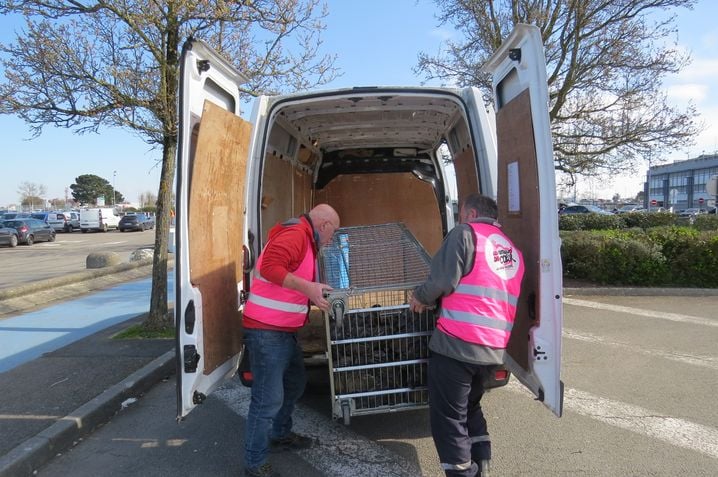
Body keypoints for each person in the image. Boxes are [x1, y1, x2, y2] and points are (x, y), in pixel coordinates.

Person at [409, 194, 524, 477]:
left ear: (470, 214)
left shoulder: (465, 234)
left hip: (457, 346)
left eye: (461, 214)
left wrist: (420, 297)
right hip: (494, 349)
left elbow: (442, 280)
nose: (459, 219)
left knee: (448, 418)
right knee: (470, 407)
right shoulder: (509, 248)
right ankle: (482, 463)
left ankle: (461, 474)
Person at [241, 203, 340, 477]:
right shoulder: (296, 234)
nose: (332, 239)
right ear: (324, 226)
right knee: (267, 399)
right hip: (266, 332)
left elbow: (289, 280)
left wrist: (313, 294)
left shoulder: (306, 238)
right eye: (333, 233)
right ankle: (255, 462)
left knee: (295, 383)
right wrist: (309, 288)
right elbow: (270, 267)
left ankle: (280, 434)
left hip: (282, 332)